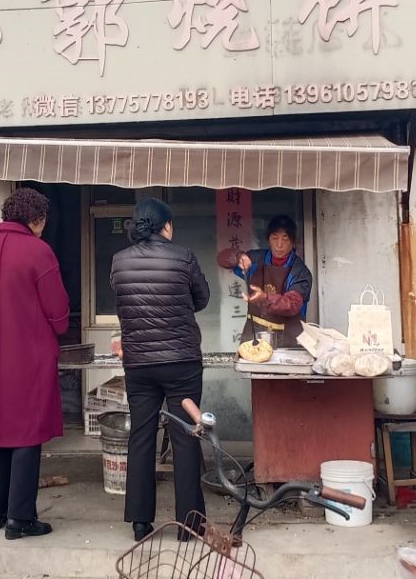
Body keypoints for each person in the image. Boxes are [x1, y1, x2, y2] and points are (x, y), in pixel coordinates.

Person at [0, 187, 70, 540]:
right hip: (30, 354)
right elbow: (58, 312)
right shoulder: (38, 252)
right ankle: (21, 518)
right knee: (29, 433)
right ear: (37, 219)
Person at [110, 198, 210, 542]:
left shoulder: (118, 261)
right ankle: (189, 524)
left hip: (138, 363)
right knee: (185, 437)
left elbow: (123, 301)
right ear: (166, 226)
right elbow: (202, 299)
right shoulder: (183, 257)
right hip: (181, 361)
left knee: (141, 436)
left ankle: (140, 522)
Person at [216, 215, 312, 348]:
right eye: (275, 238)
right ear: (268, 240)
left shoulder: (300, 272)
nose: (279, 245)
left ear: (294, 242)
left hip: (289, 339)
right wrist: (237, 257)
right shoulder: (254, 259)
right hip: (255, 336)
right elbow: (222, 259)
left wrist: (265, 298)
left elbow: (292, 304)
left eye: (285, 239)